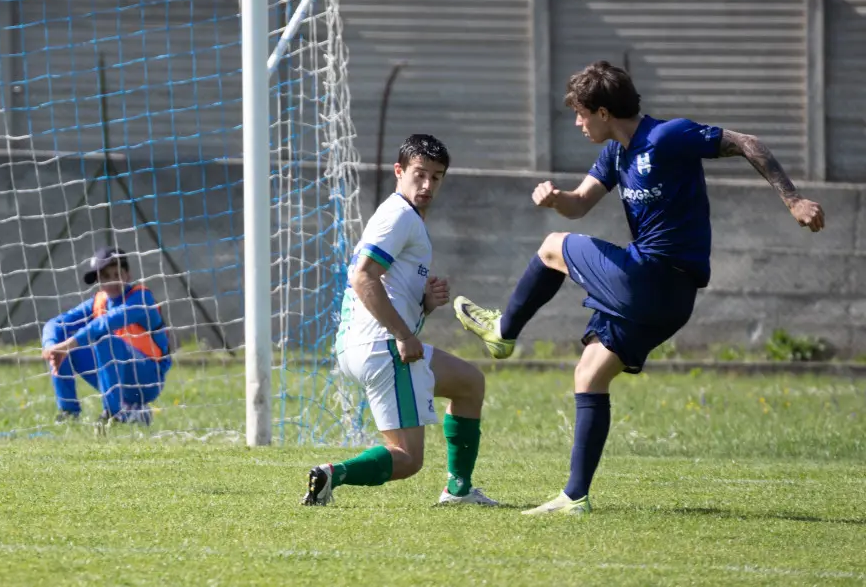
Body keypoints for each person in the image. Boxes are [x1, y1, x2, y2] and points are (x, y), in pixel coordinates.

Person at [454, 60, 825, 515]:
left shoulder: (667, 137)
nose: (577, 122)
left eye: (581, 113)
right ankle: (575, 498)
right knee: (590, 374)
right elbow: (580, 205)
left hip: (655, 277)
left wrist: (794, 199)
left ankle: (503, 332)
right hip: (670, 302)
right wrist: (556, 199)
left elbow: (748, 142)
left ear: (605, 112)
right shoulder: (615, 154)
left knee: (553, 247)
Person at [302, 134, 500, 507]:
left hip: (370, 343)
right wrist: (404, 333)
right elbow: (363, 277)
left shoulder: (403, 216)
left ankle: (459, 490)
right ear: (399, 171)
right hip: (385, 347)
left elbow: (384, 284)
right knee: (407, 459)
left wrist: (423, 303)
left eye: (436, 177)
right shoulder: (398, 217)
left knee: (469, 384)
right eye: (419, 174)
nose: (427, 185)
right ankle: (332, 474)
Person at [41, 247, 172, 425]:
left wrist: (69, 343)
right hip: (116, 378)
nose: (111, 282)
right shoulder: (99, 301)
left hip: (148, 379)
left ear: (127, 275)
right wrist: (51, 346)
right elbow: (54, 324)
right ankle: (69, 414)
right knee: (61, 343)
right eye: (105, 277)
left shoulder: (141, 298)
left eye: (116, 274)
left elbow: (106, 323)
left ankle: (112, 413)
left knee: (104, 340)